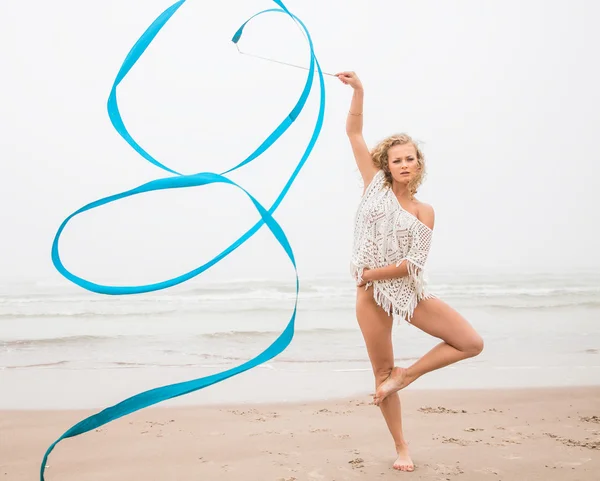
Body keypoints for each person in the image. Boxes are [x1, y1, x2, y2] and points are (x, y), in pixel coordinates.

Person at [336, 71, 484, 472]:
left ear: (419, 166)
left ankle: (408, 375)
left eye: (410, 158)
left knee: (471, 342)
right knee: (380, 374)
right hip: (370, 297)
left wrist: (370, 274)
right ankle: (402, 448)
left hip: (407, 290)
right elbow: (353, 133)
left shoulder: (424, 211)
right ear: (386, 163)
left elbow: (411, 266)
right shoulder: (374, 187)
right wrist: (359, 92)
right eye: (396, 159)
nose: (404, 164)